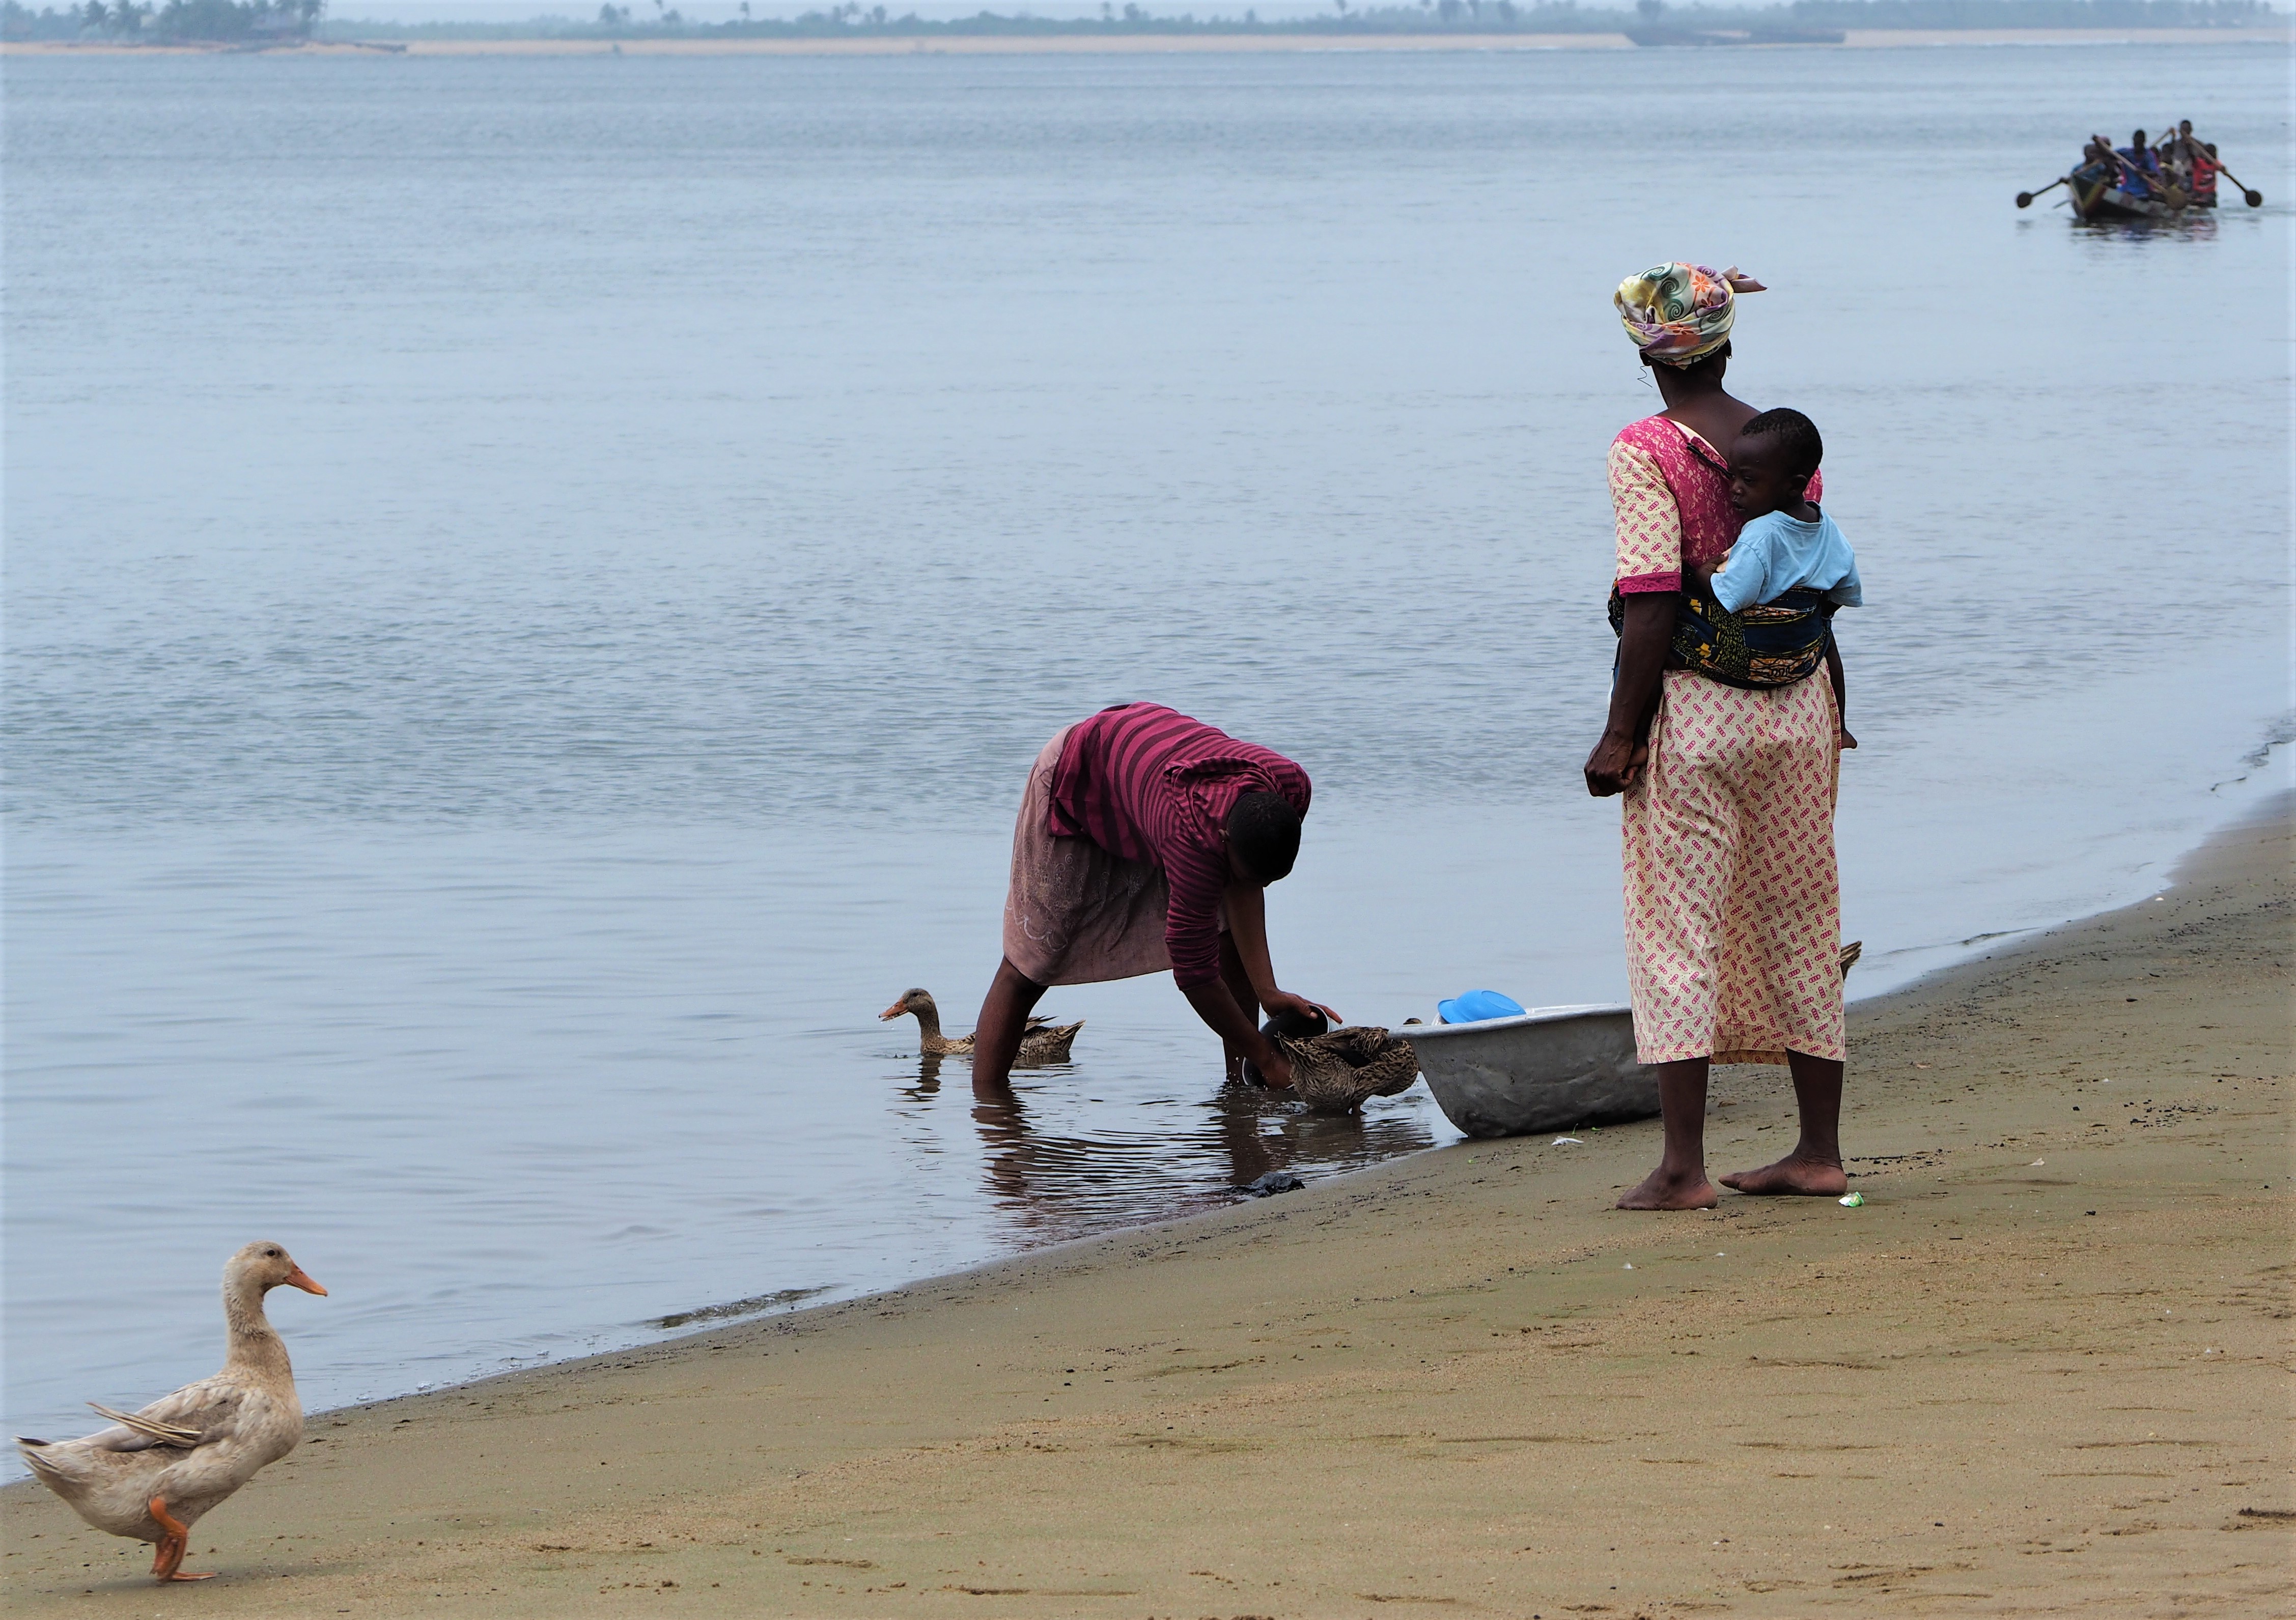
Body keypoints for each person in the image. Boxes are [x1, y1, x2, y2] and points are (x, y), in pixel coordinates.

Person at [1586, 264, 1854, 1212]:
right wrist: (1840, 707)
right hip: (1800, 701)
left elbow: (1654, 597)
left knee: (1677, 930)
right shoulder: (1785, 443)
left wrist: (1620, 734)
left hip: (1701, 710)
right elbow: (1816, 575)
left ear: (1643, 356)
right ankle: (1817, 1151)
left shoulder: (1644, 448)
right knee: (1800, 914)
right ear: (1729, 341)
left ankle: (1682, 1169)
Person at [972, 701, 1338, 1092]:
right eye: (1247, 876)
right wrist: (1267, 1056)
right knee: (1029, 967)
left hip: (1145, 768)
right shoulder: (1191, 841)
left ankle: (1240, 1090)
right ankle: (991, 1113)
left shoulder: (1291, 784)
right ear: (1224, 839)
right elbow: (1196, 975)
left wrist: (1270, 992)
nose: (1258, 889)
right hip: (1079, 777)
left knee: (1224, 930)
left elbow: (1243, 887)